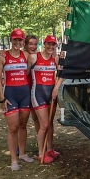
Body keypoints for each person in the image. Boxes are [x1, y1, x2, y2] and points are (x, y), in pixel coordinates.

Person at [0, 29, 34, 171]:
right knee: (13, 128)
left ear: (23, 41)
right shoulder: (2, 56)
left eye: (20, 40)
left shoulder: (26, 55)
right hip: (10, 95)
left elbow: (43, 56)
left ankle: (22, 154)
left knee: (23, 125)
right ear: (11, 40)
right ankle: (14, 159)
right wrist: (1, 98)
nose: (17, 42)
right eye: (15, 40)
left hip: (24, 94)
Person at [28, 35, 61, 163]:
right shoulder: (34, 57)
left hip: (52, 95)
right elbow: (24, 72)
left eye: (53, 45)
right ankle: (41, 153)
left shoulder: (56, 58)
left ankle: (49, 149)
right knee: (44, 125)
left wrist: (56, 88)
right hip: (38, 94)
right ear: (44, 43)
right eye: (48, 44)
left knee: (50, 124)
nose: (50, 47)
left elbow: (62, 74)